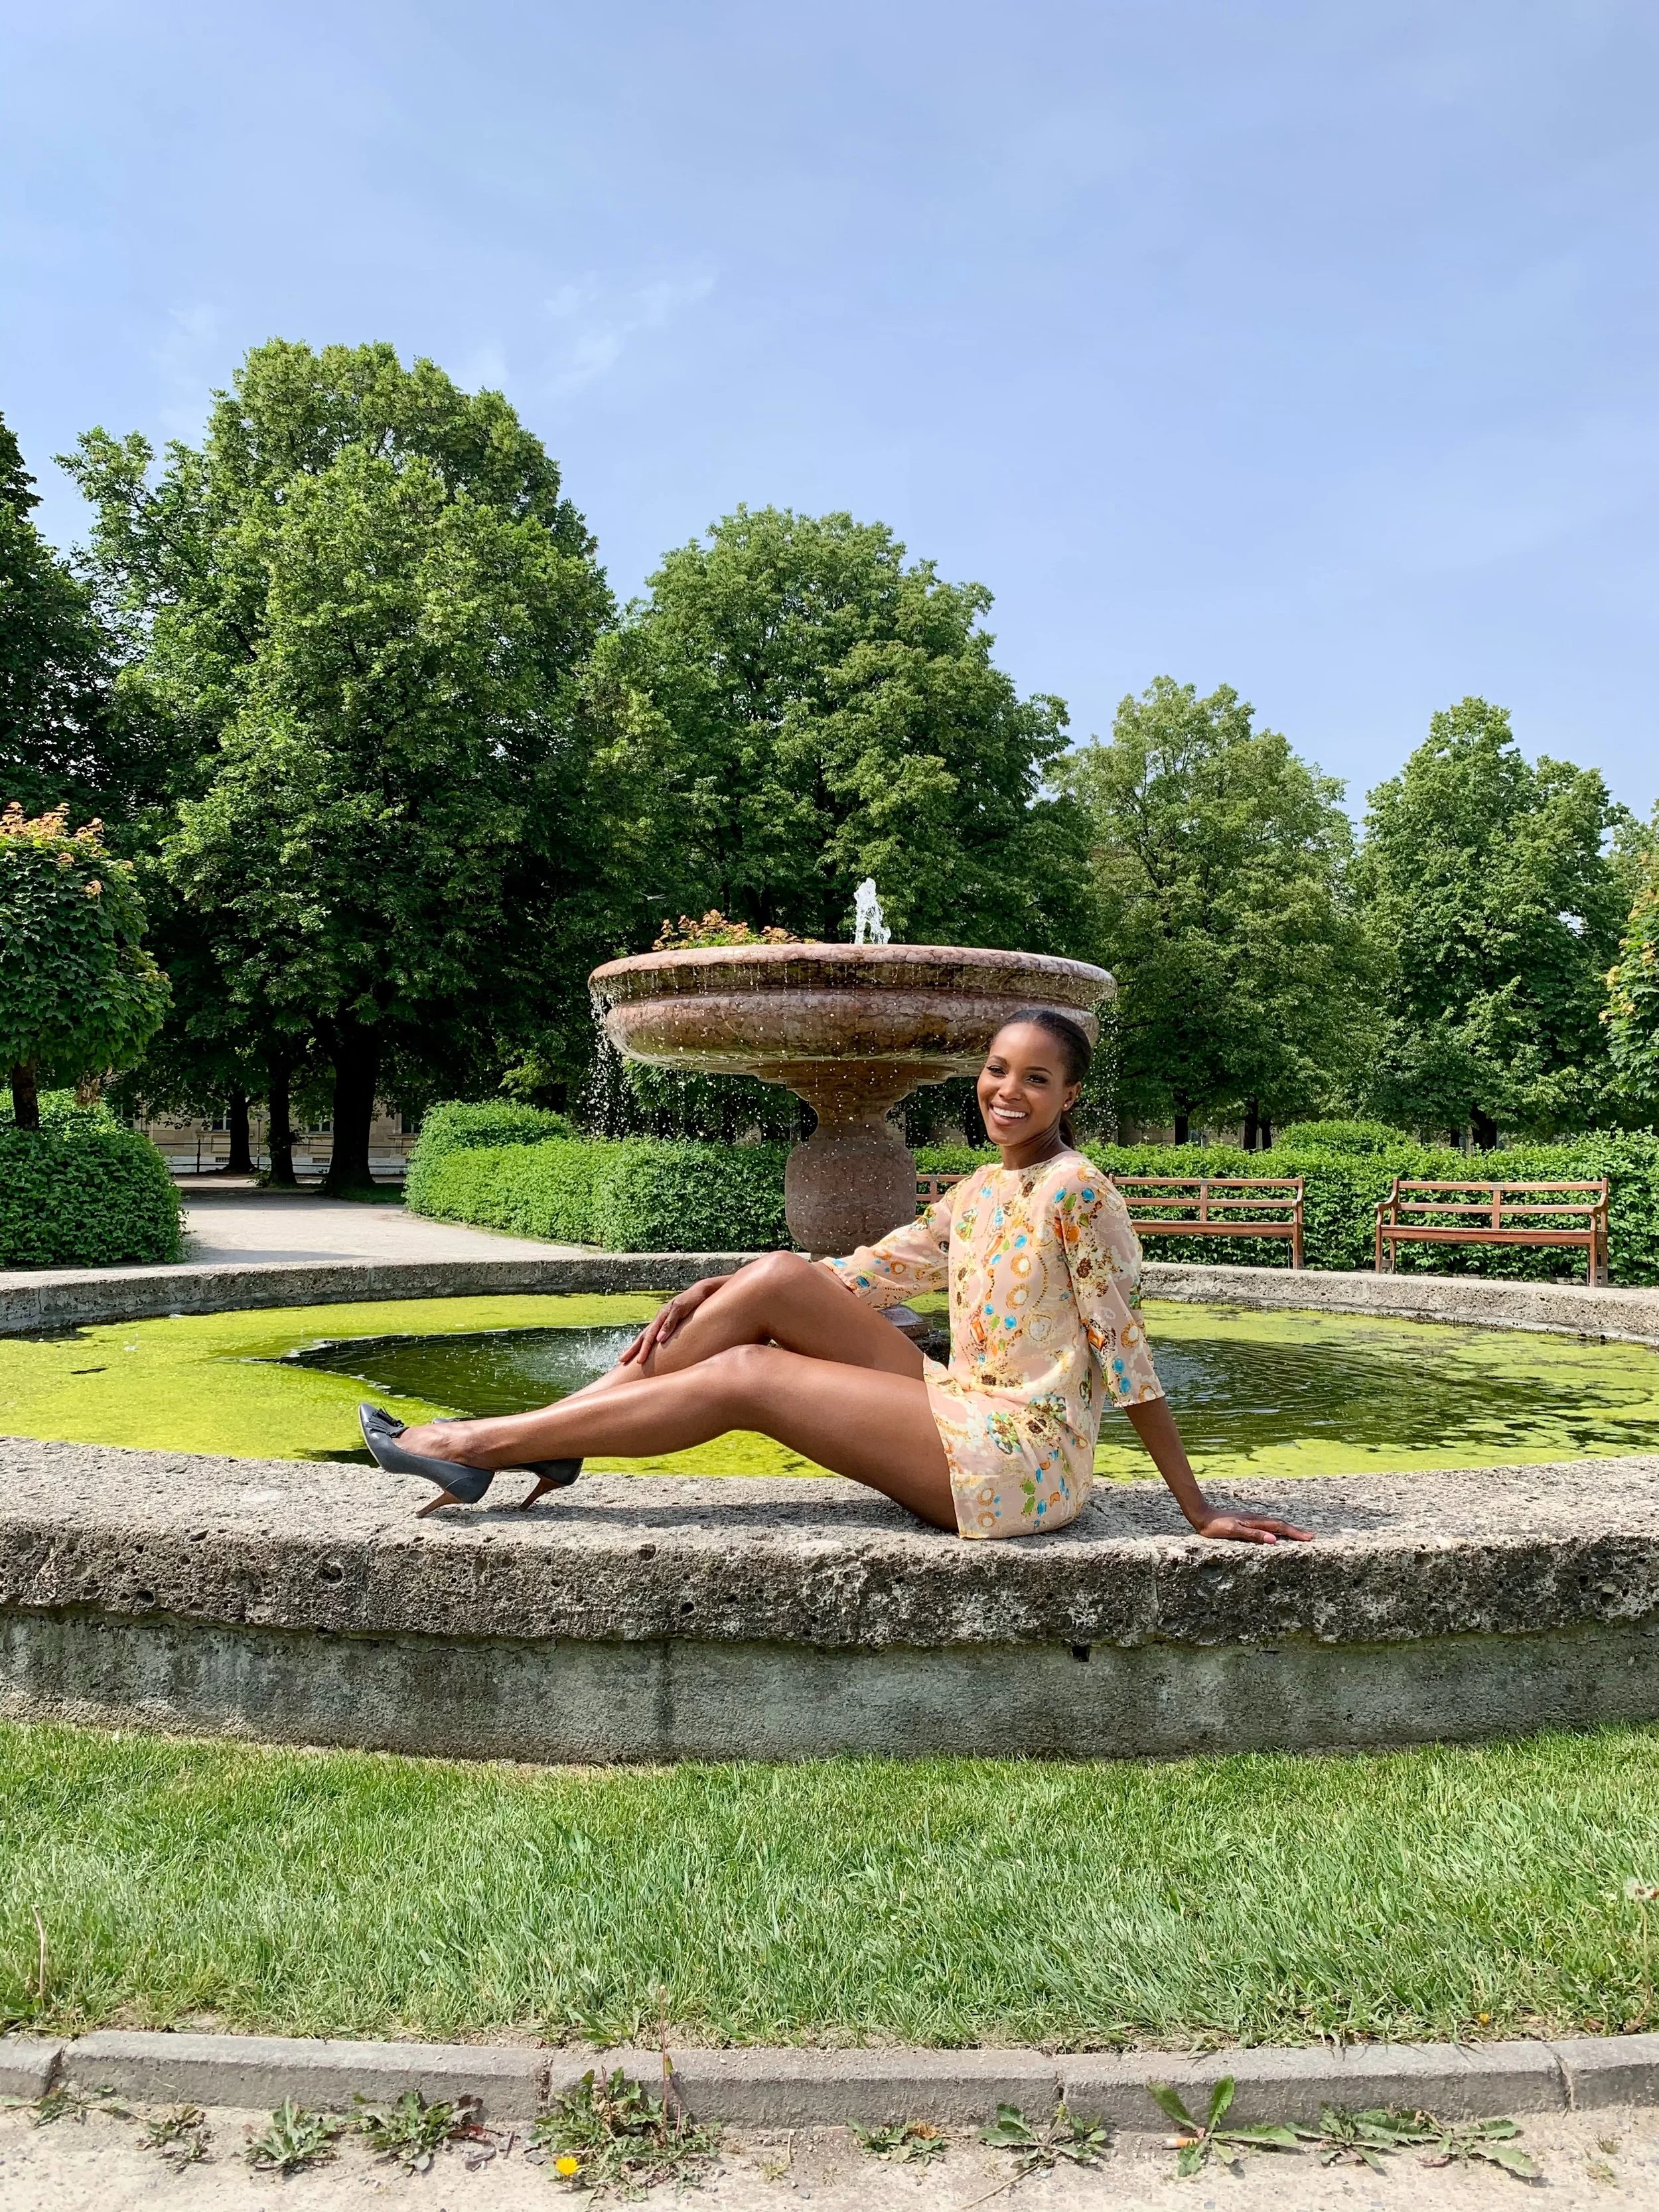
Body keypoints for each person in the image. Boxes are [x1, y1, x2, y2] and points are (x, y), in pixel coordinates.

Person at [360, 1009, 1313, 1548]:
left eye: (1033, 1080)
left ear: (1069, 1097)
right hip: (957, 1404)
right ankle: (551, 1439)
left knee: (750, 1379)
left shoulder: (1075, 1192)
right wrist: (721, 1290)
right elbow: (863, 1274)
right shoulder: (984, 1189)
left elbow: (1124, 1352)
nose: (1005, 1092)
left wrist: (1197, 1508)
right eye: (994, 1070)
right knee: (779, 1275)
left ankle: (479, 1444)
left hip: (1024, 1457)